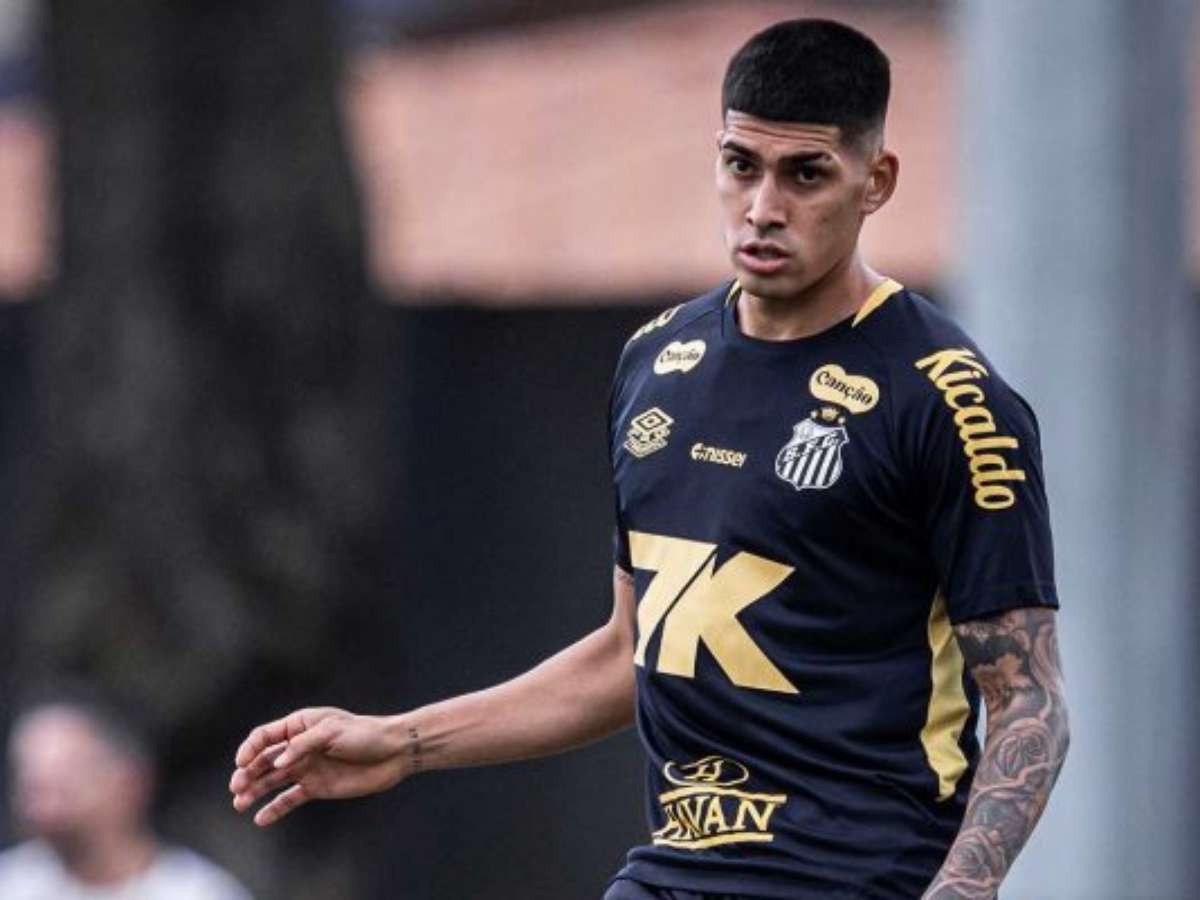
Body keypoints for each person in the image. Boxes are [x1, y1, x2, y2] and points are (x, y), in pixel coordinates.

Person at [230, 19, 1069, 899]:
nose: (763, 207)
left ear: (877, 182)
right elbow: (629, 649)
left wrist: (961, 891)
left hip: (857, 880)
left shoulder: (949, 400)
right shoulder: (658, 361)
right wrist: (402, 742)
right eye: (741, 165)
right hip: (676, 873)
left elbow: (1030, 701)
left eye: (805, 174)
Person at [1, 698, 253, 900]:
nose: (46, 801)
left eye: (67, 776)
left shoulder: (199, 893)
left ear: (129, 781)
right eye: (32, 781)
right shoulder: (11, 886)